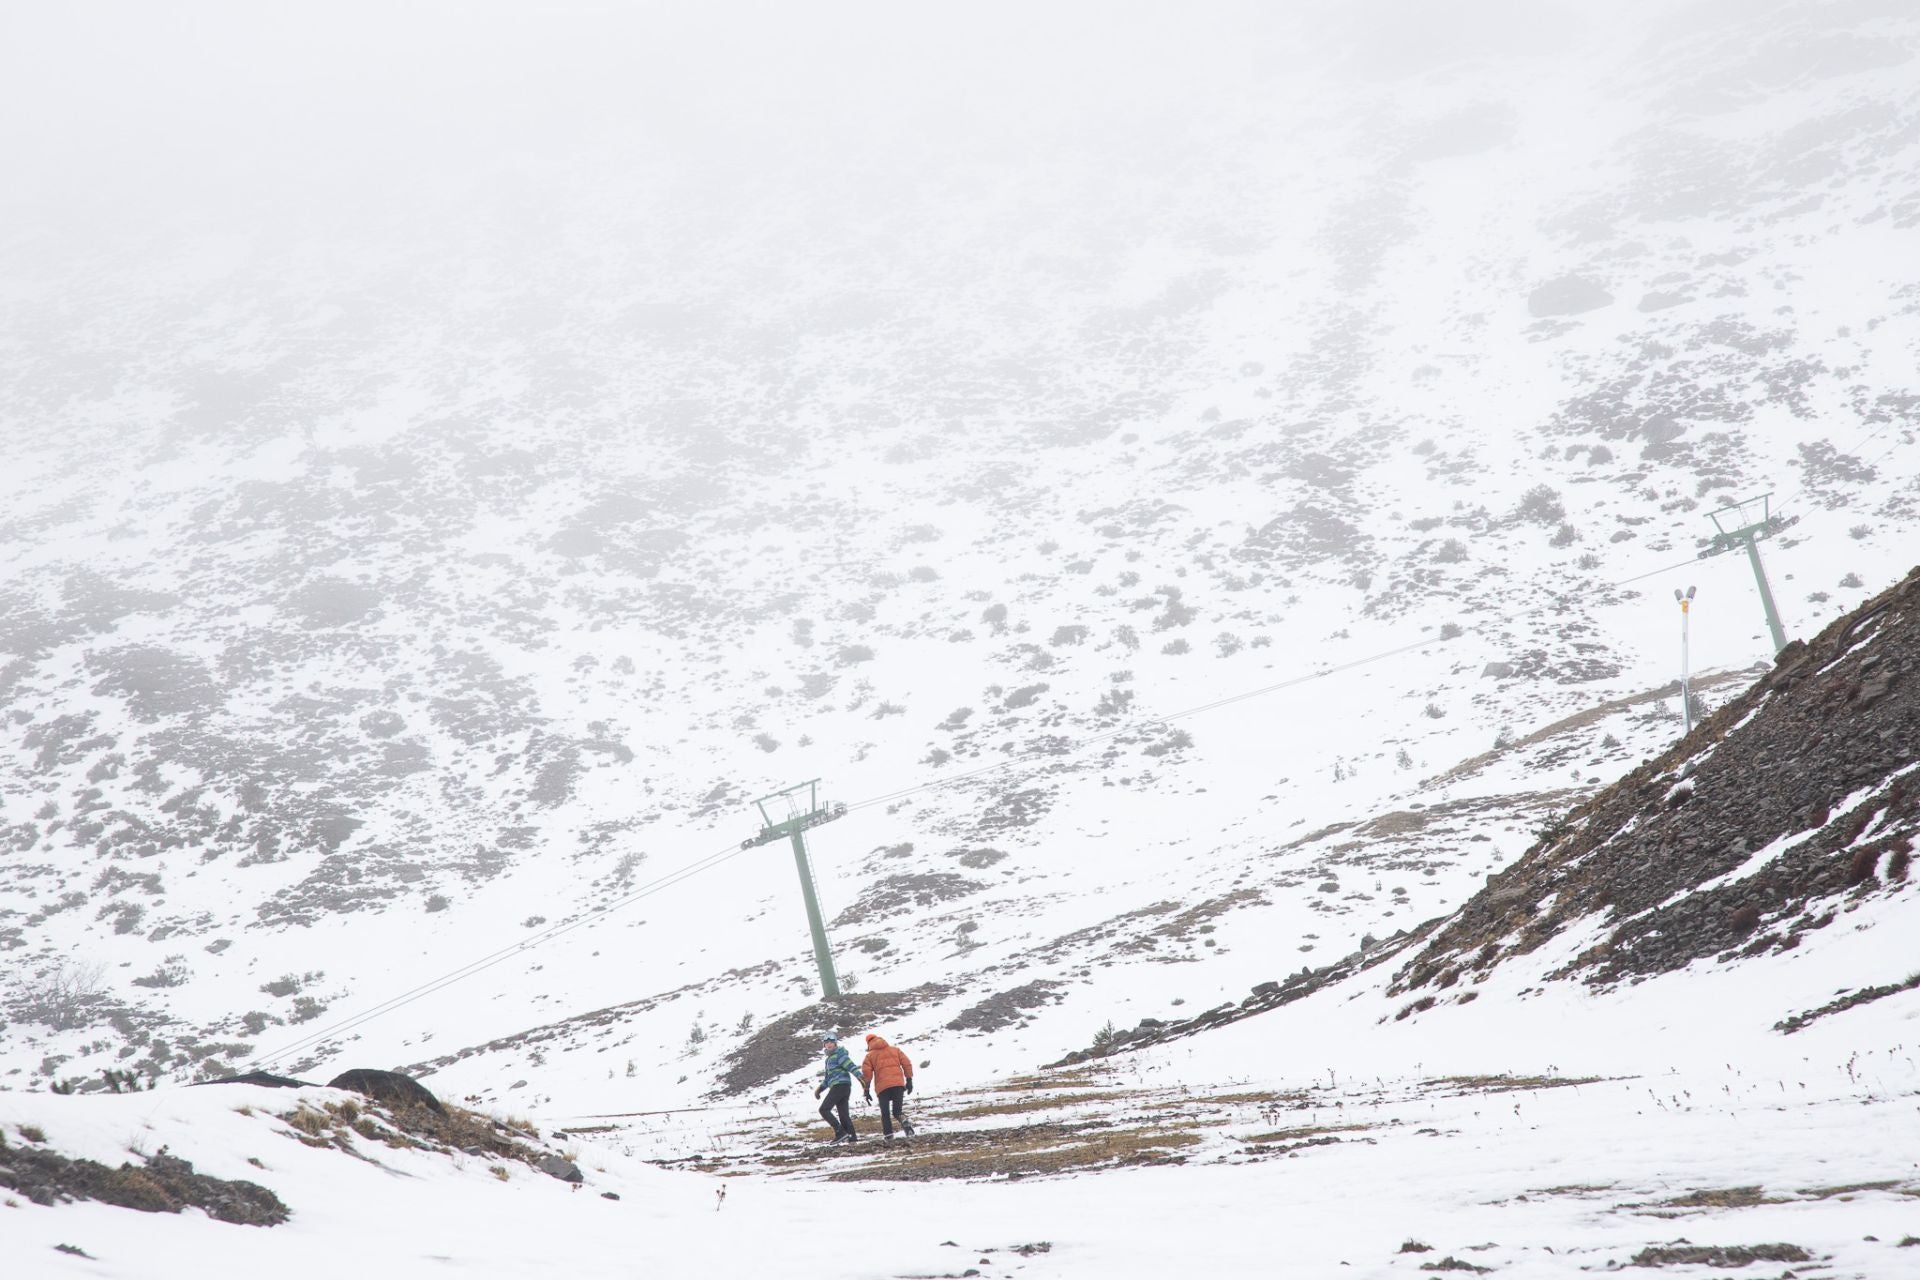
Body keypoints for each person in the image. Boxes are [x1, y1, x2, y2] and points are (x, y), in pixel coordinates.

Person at [859, 1032, 916, 1139]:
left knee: (885, 1113)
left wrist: (866, 1090)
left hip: (882, 1088)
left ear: (868, 1043)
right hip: (898, 1085)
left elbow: (867, 1074)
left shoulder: (870, 1056)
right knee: (897, 1111)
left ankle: (889, 1136)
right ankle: (906, 1124)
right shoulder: (895, 1050)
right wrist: (909, 1080)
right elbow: (907, 1063)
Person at [814, 1034, 859, 1144]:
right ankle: (852, 1138)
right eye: (826, 1043)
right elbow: (828, 1078)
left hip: (840, 1086)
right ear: (824, 1045)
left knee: (824, 1109)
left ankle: (840, 1132)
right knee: (843, 1114)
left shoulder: (839, 1054)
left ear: (835, 1043)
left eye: (831, 1042)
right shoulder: (829, 1059)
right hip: (843, 1087)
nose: (829, 1044)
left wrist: (861, 1078)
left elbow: (851, 1066)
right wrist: (819, 1089)